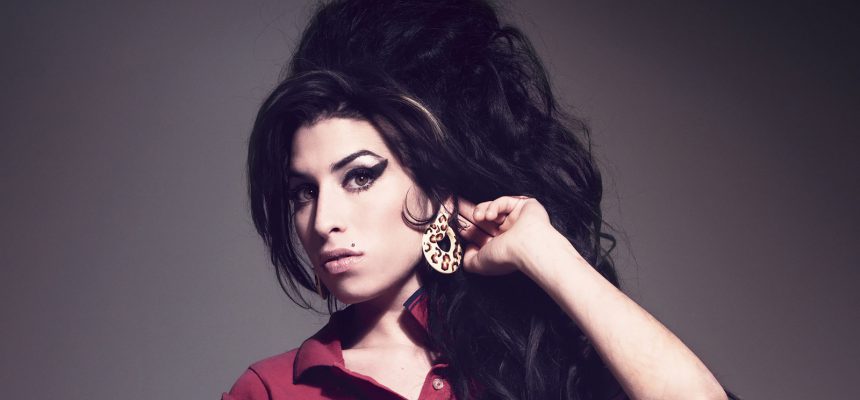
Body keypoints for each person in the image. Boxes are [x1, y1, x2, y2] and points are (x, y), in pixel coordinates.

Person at [224, 1, 736, 399]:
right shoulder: (272, 390)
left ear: (437, 184)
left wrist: (545, 253)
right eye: (305, 192)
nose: (323, 220)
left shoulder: (534, 360)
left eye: (359, 177)